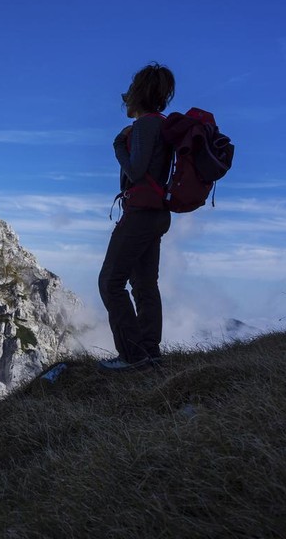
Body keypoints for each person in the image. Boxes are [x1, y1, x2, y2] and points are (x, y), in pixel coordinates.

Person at [98, 63, 175, 372]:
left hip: (141, 214)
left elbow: (136, 170)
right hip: (158, 214)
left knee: (110, 282)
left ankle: (132, 356)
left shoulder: (144, 126)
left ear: (137, 96)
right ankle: (150, 351)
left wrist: (118, 145)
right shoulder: (164, 124)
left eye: (127, 94)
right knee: (144, 282)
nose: (125, 100)